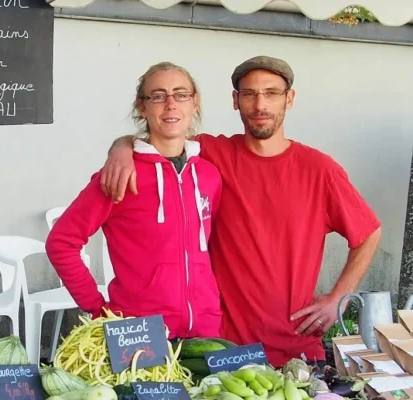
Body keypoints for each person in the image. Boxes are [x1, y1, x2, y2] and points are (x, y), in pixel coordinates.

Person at [99, 56, 382, 367]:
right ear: (236, 101)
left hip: (296, 347)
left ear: (289, 99)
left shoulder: (319, 170)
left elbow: (368, 232)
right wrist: (122, 148)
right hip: (223, 347)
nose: (260, 104)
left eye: (272, 93)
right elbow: (162, 133)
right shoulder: (210, 155)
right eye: (249, 94)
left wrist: (336, 301)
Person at [45, 62, 223, 340]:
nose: (170, 104)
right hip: (140, 332)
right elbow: (61, 242)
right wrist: (97, 308)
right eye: (158, 96)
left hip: (205, 330)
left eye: (181, 94)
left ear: (194, 103)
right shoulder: (122, 174)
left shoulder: (209, 175)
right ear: (143, 107)